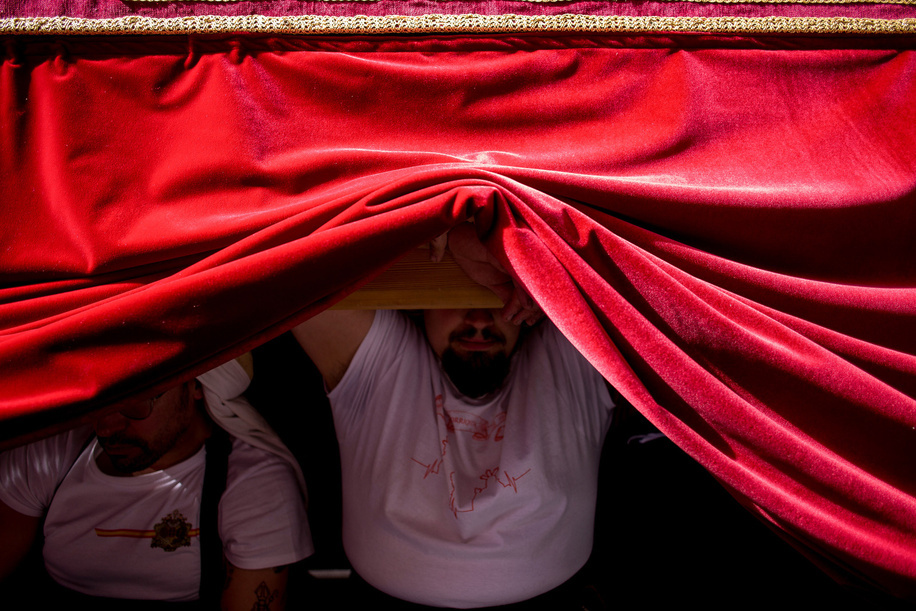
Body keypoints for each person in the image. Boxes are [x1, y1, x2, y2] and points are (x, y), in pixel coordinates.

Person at [292, 223, 615, 609]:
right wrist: (438, 223)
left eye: (492, 295)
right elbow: (286, 256)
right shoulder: (385, 366)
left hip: (553, 598)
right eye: (456, 290)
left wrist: (522, 252)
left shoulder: (565, 361)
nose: (479, 318)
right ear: (421, 302)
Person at [0, 358, 313, 610]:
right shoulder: (52, 453)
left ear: (195, 385)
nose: (108, 427)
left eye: (136, 404)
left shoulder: (251, 485)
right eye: (98, 403)